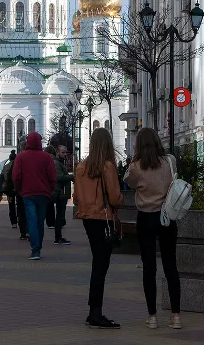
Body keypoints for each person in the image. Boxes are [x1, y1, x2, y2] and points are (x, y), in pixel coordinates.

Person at [123, 127, 181, 330]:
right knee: (170, 265)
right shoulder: (170, 161)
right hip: (167, 217)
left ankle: (153, 316)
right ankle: (175, 316)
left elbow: (127, 181)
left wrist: (133, 160)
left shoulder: (137, 167)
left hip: (146, 218)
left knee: (149, 267)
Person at [74, 127, 123, 329]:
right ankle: (95, 312)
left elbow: (76, 198)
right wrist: (119, 200)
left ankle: (93, 310)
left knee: (98, 263)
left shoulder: (80, 167)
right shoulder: (108, 167)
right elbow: (114, 198)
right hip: (103, 219)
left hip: (87, 218)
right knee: (101, 266)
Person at [12, 131, 56, 260]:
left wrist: (19, 189)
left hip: (28, 193)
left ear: (27, 142)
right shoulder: (47, 157)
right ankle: (38, 247)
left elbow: (16, 176)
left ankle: (35, 249)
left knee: (31, 220)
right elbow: (52, 177)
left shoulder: (21, 157)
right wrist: (50, 189)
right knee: (40, 221)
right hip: (43, 194)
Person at [51, 145, 73, 245]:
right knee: (60, 215)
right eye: (63, 152)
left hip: (61, 192)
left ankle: (58, 236)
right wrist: (71, 176)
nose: (65, 154)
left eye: (65, 152)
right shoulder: (56, 163)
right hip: (59, 192)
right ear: (57, 152)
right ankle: (58, 237)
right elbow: (59, 177)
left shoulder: (59, 162)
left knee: (60, 215)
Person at [1, 150, 19, 229]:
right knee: (20, 204)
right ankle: (20, 219)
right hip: (18, 187)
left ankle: (13, 222)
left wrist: (1, 190)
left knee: (11, 206)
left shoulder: (6, 166)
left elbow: (2, 177)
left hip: (9, 188)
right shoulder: (18, 165)